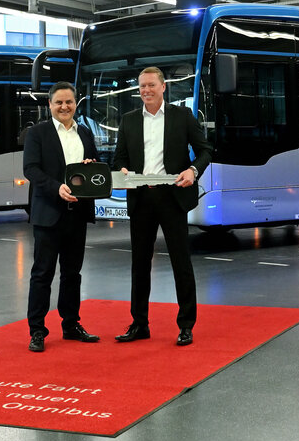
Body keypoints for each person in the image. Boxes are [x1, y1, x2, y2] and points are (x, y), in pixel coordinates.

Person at [112, 66, 212, 346]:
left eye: (151, 85)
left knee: (181, 262)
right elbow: (119, 157)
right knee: (139, 265)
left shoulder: (183, 117)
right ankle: (139, 324)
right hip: (141, 198)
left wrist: (193, 170)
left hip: (172, 197)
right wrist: (121, 170)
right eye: (142, 86)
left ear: (163, 87)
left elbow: (206, 149)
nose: (146, 91)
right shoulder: (129, 120)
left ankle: (186, 325)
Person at [22, 81, 101, 353]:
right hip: (48, 214)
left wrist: (90, 168)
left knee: (72, 274)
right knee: (42, 273)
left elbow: (94, 165)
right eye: (59, 102)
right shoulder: (37, 133)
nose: (64, 107)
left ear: (75, 104)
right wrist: (57, 187)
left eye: (69, 102)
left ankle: (71, 325)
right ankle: (37, 331)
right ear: (50, 105)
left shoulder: (85, 133)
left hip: (77, 214)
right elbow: (30, 169)